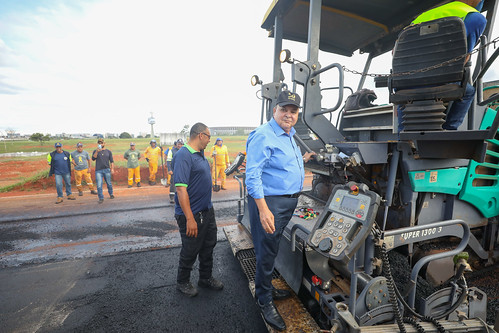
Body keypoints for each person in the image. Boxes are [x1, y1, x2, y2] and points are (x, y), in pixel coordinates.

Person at [245, 90, 316, 331]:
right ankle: (264, 299)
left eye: (293, 111)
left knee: (272, 247)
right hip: (271, 204)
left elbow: (281, 164)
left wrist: (304, 159)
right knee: (266, 251)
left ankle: (266, 287)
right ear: (274, 110)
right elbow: (252, 176)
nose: (288, 114)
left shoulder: (288, 135)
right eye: (284, 109)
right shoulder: (263, 135)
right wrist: (263, 210)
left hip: (286, 203)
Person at [397, 0, 487, 131]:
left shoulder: (423, 16)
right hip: (442, 80)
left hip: (406, 82)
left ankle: (402, 138)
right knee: (469, 92)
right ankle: (449, 129)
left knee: (403, 95)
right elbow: (464, 57)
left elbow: (398, 54)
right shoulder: (474, 17)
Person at [172, 123, 223, 297]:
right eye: (209, 137)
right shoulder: (183, 155)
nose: (210, 140)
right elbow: (180, 189)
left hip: (207, 211)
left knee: (209, 245)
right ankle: (182, 281)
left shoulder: (200, 154)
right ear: (201, 135)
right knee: (190, 249)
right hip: (192, 215)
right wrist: (190, 219)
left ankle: (205, 278)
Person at [92, 138, 115, 204]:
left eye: (102, 143)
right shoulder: (95, 151)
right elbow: (93, 158)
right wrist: (97, 151)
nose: (100, 144)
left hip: (107, 169)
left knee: (109, 183)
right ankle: (101, 198)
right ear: (98, 144)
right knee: (99, 185)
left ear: (104, 143)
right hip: (98, 170)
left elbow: (112, 161)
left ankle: (111, 194)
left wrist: (112, 169)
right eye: (99, 143)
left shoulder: (108, 151)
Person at [166, 138, 184, 203]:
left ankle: (181, 197)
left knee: (183, 184)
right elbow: (168, 161)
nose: (180, 145)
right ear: (176, 144)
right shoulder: (172, 151)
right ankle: (172, 197)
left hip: (183, 171)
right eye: (178, 144)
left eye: (181, 144)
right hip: (174, 171)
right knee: (173, 184)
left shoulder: (185, 151)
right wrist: (170, 169)